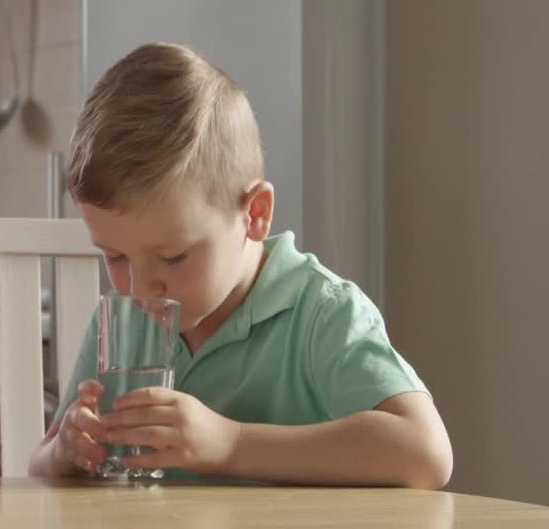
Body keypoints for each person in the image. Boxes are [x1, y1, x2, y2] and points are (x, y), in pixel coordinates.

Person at [28, 42, 452, 488]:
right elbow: (40, 466)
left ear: (254, 215)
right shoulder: (118, 324)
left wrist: (230, 444)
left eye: (172, 256)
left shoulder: (319, 313)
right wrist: (65, 453)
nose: (139, 288)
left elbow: (426, 453)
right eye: (114, 256)